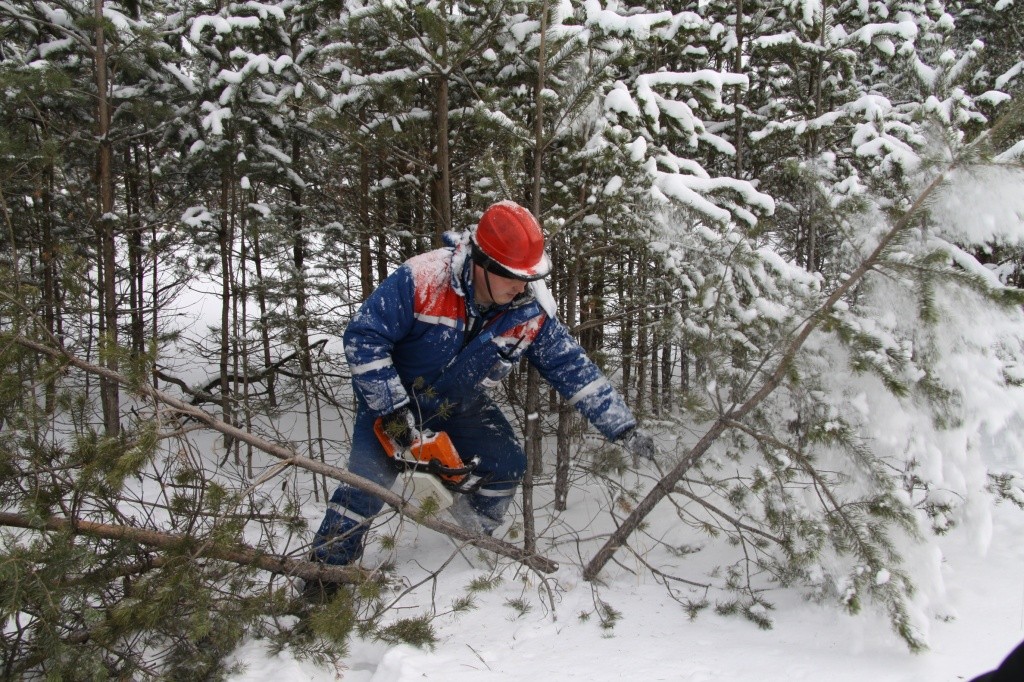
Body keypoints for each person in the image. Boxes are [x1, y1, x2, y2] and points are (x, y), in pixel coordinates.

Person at [308, 200, 655, 579]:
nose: (521, 285)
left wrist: (623, 426)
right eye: (511, 275)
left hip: (458, 403)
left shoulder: (528, 311)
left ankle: (470, 540)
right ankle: (324, 577)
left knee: (507, 464)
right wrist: (391, 409)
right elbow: (365, 337)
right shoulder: (422, 279)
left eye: (528, 276)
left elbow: (572, 367)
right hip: (392, 401)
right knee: (364, 488)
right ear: (481, 261)